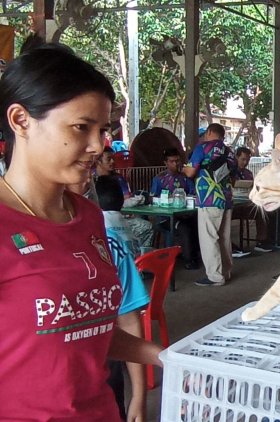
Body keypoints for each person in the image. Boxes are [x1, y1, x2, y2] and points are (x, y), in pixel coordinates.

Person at [0, 39, 162, 420]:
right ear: (21, 120)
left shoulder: (87, 216)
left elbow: (86, 331)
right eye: (80, 127)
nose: (97, 145)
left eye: (102, 129)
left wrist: (167, 356)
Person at [95, 175, 151, 422]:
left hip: (104, 378)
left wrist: (139, 396)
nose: (95, 145)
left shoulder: (109, 245)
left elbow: (128, 322)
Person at [184, 122, 238, 286]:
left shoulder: (202, 148)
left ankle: (214, 276)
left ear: (209, 132)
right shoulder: (229, 152)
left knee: (209, 237)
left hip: (208, 199)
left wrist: (183, 169)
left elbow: (191, 171)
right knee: (224, 237)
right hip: (226, 199)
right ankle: (225, 272)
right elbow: (234, 177)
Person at [150, 147, 201, 269]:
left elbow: (193, 193)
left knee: (198, 223)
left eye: (177, 160)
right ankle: (188, 260)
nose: (176, 164)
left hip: (185, 214)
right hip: (165, 217)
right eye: (172, 161)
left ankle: (195, 255)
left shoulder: (185, 177)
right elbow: (152, 199)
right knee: (184, 228)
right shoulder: (159, 179)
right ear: (165, 163)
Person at [95, 145, 154, 248]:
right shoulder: (90, 180)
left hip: (121, 217)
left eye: (113, 159)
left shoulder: (119, 179)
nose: (113, 162)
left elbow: (126, 199)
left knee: (146, 226)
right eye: (109, 159)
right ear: (98, 161)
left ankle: (139, 256)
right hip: (99, 220)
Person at [234, 146, 273, 253]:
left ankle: (261, 241)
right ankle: (231, 247)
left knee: (262, 211)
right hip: (233, 207)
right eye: (243, 159)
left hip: (246, 205)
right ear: (236, 157)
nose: (245, 162)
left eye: (247, 160)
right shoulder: (229, 172)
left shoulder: (248, 173)